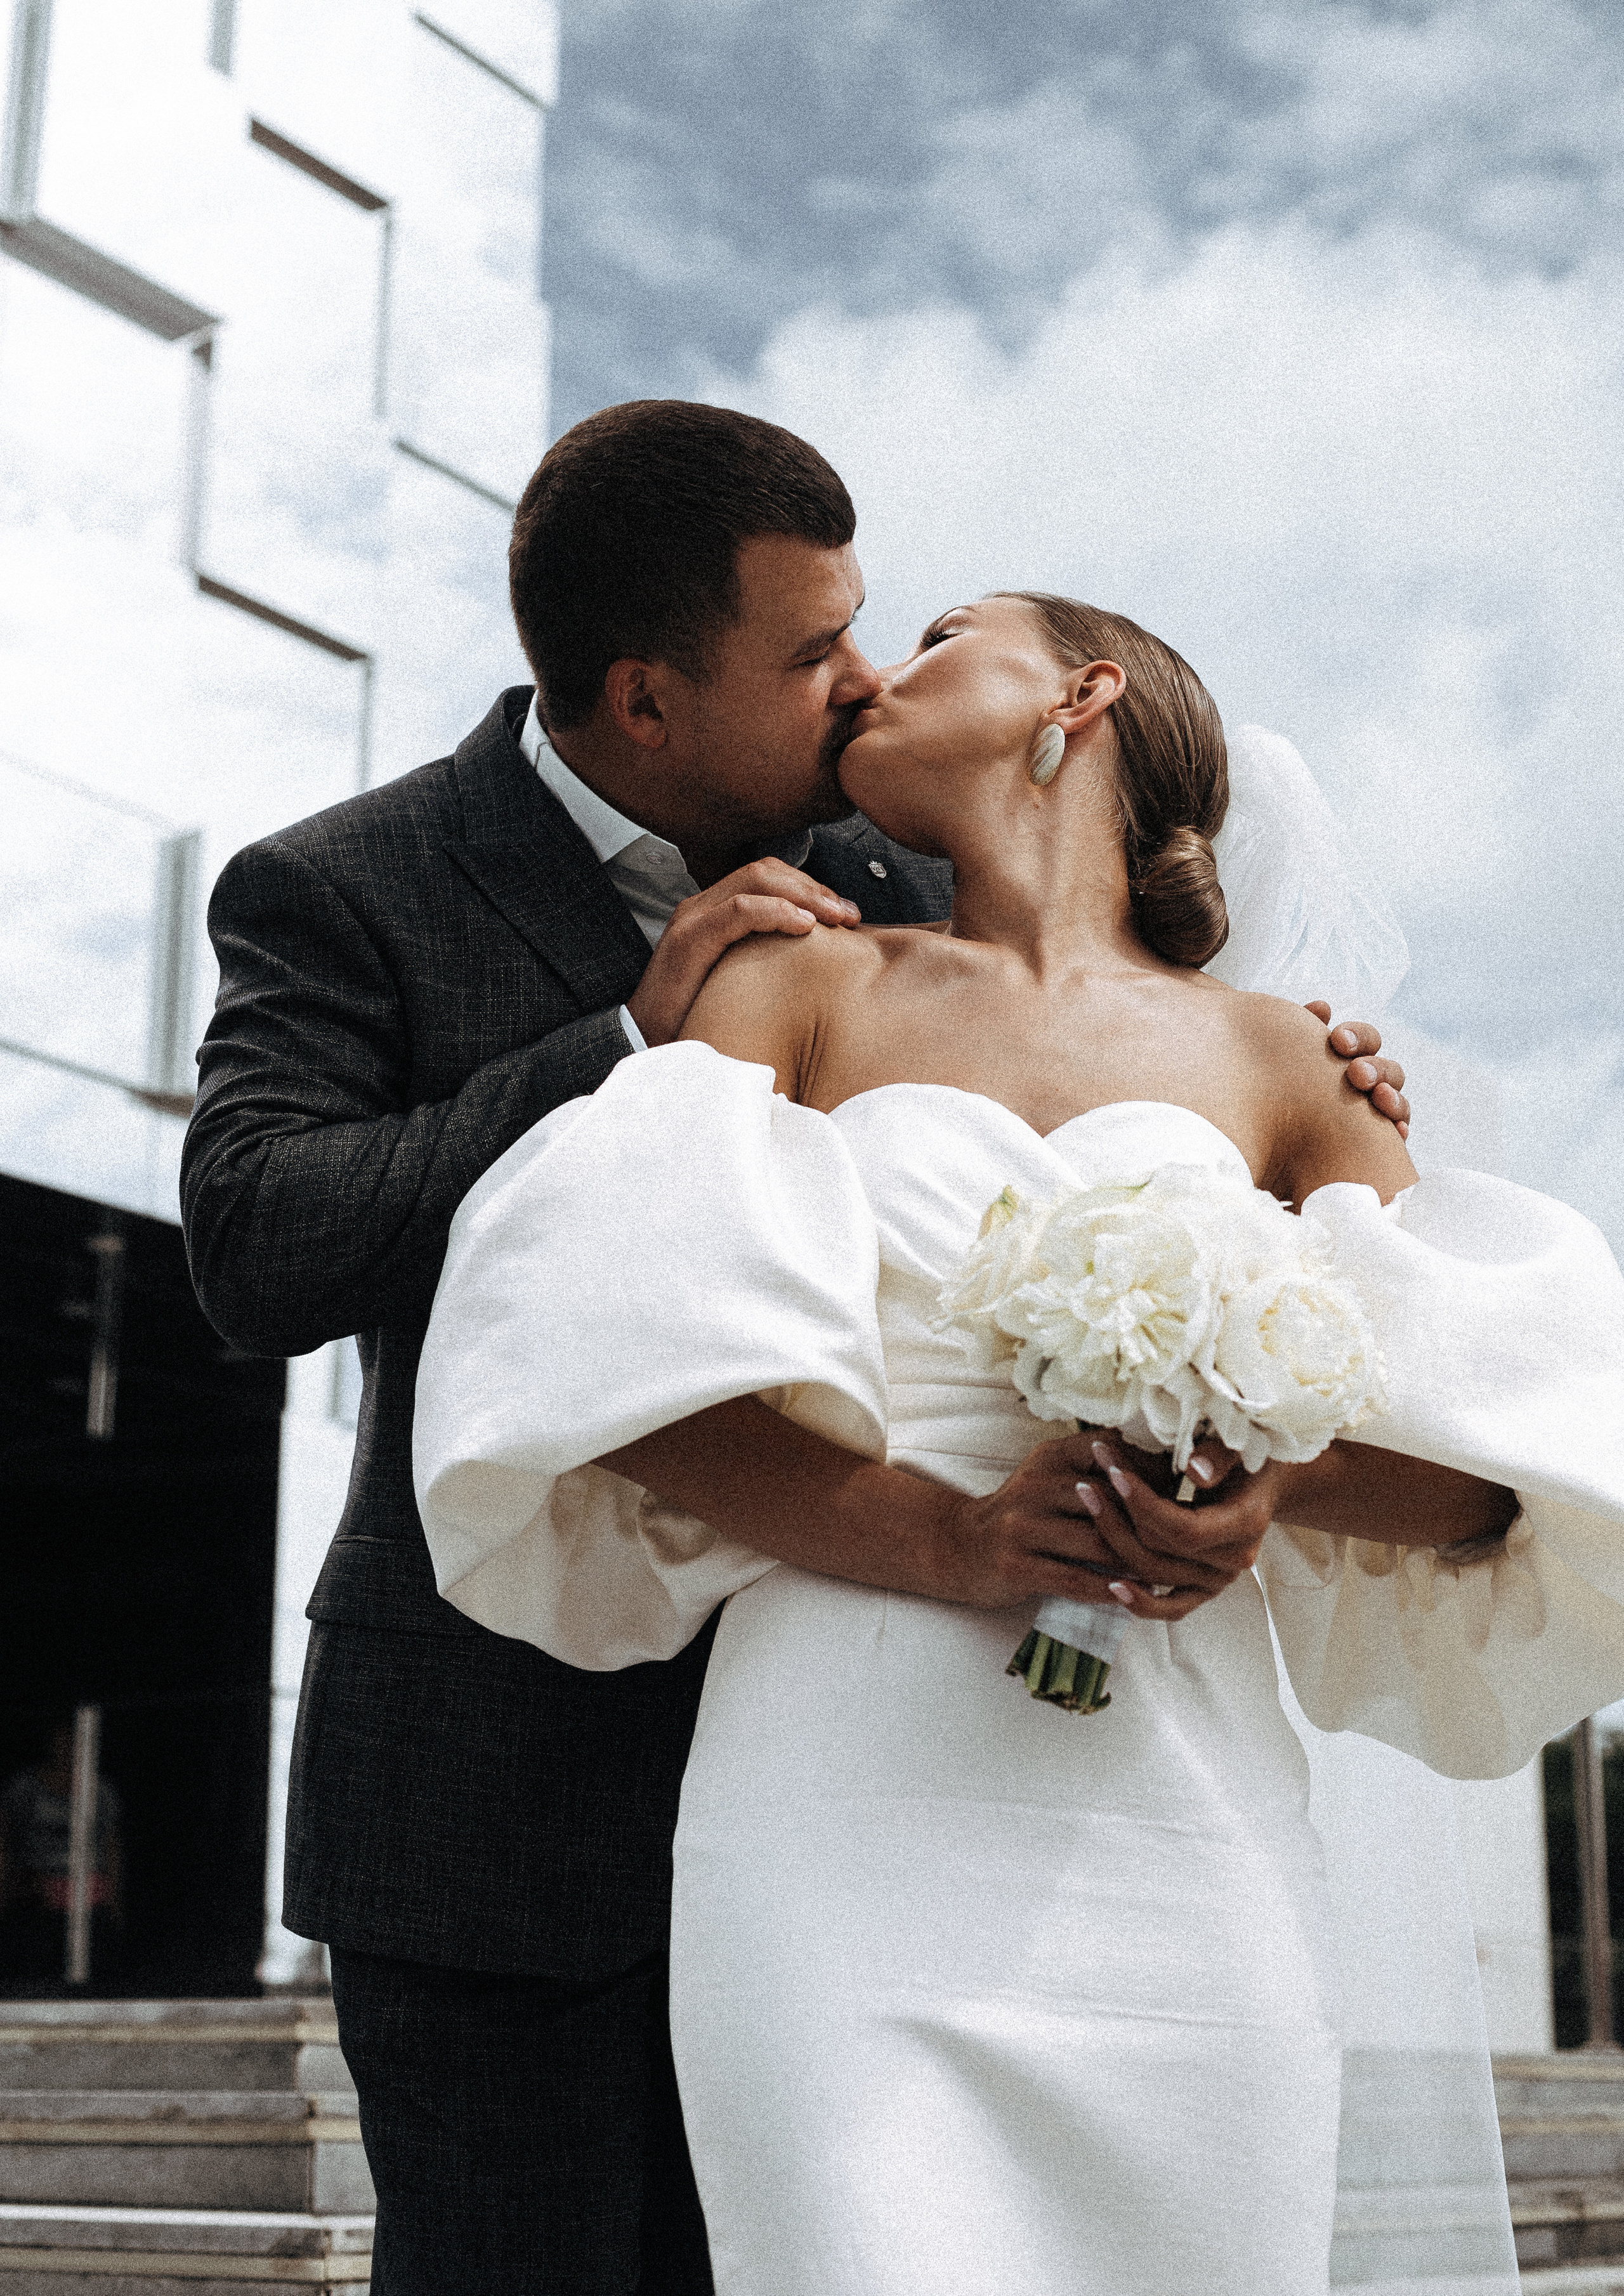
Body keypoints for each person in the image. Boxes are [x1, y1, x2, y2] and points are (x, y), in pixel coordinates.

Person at [181, 402, 1415, 2295]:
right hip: (501, 1787)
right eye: (814, 650)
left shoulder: (904, 883)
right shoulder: (348, 881)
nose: (859, 682)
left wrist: (1300, 1127)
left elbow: (1108, 1043)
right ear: (645, 697)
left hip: (930, 1766)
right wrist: (616, 1047)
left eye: (875, 632)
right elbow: (260, 1245)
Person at [412, 591, 1624, 2293]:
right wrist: (950, 1537)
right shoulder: (794, 982)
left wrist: (1271, 1482)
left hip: (1185, 1831)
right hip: (841, 1808)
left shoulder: (1295, 1060)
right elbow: (611, 1378)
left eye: (937, 631)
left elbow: (1489, 1470)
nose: (870, 677)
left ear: (1081, 691)